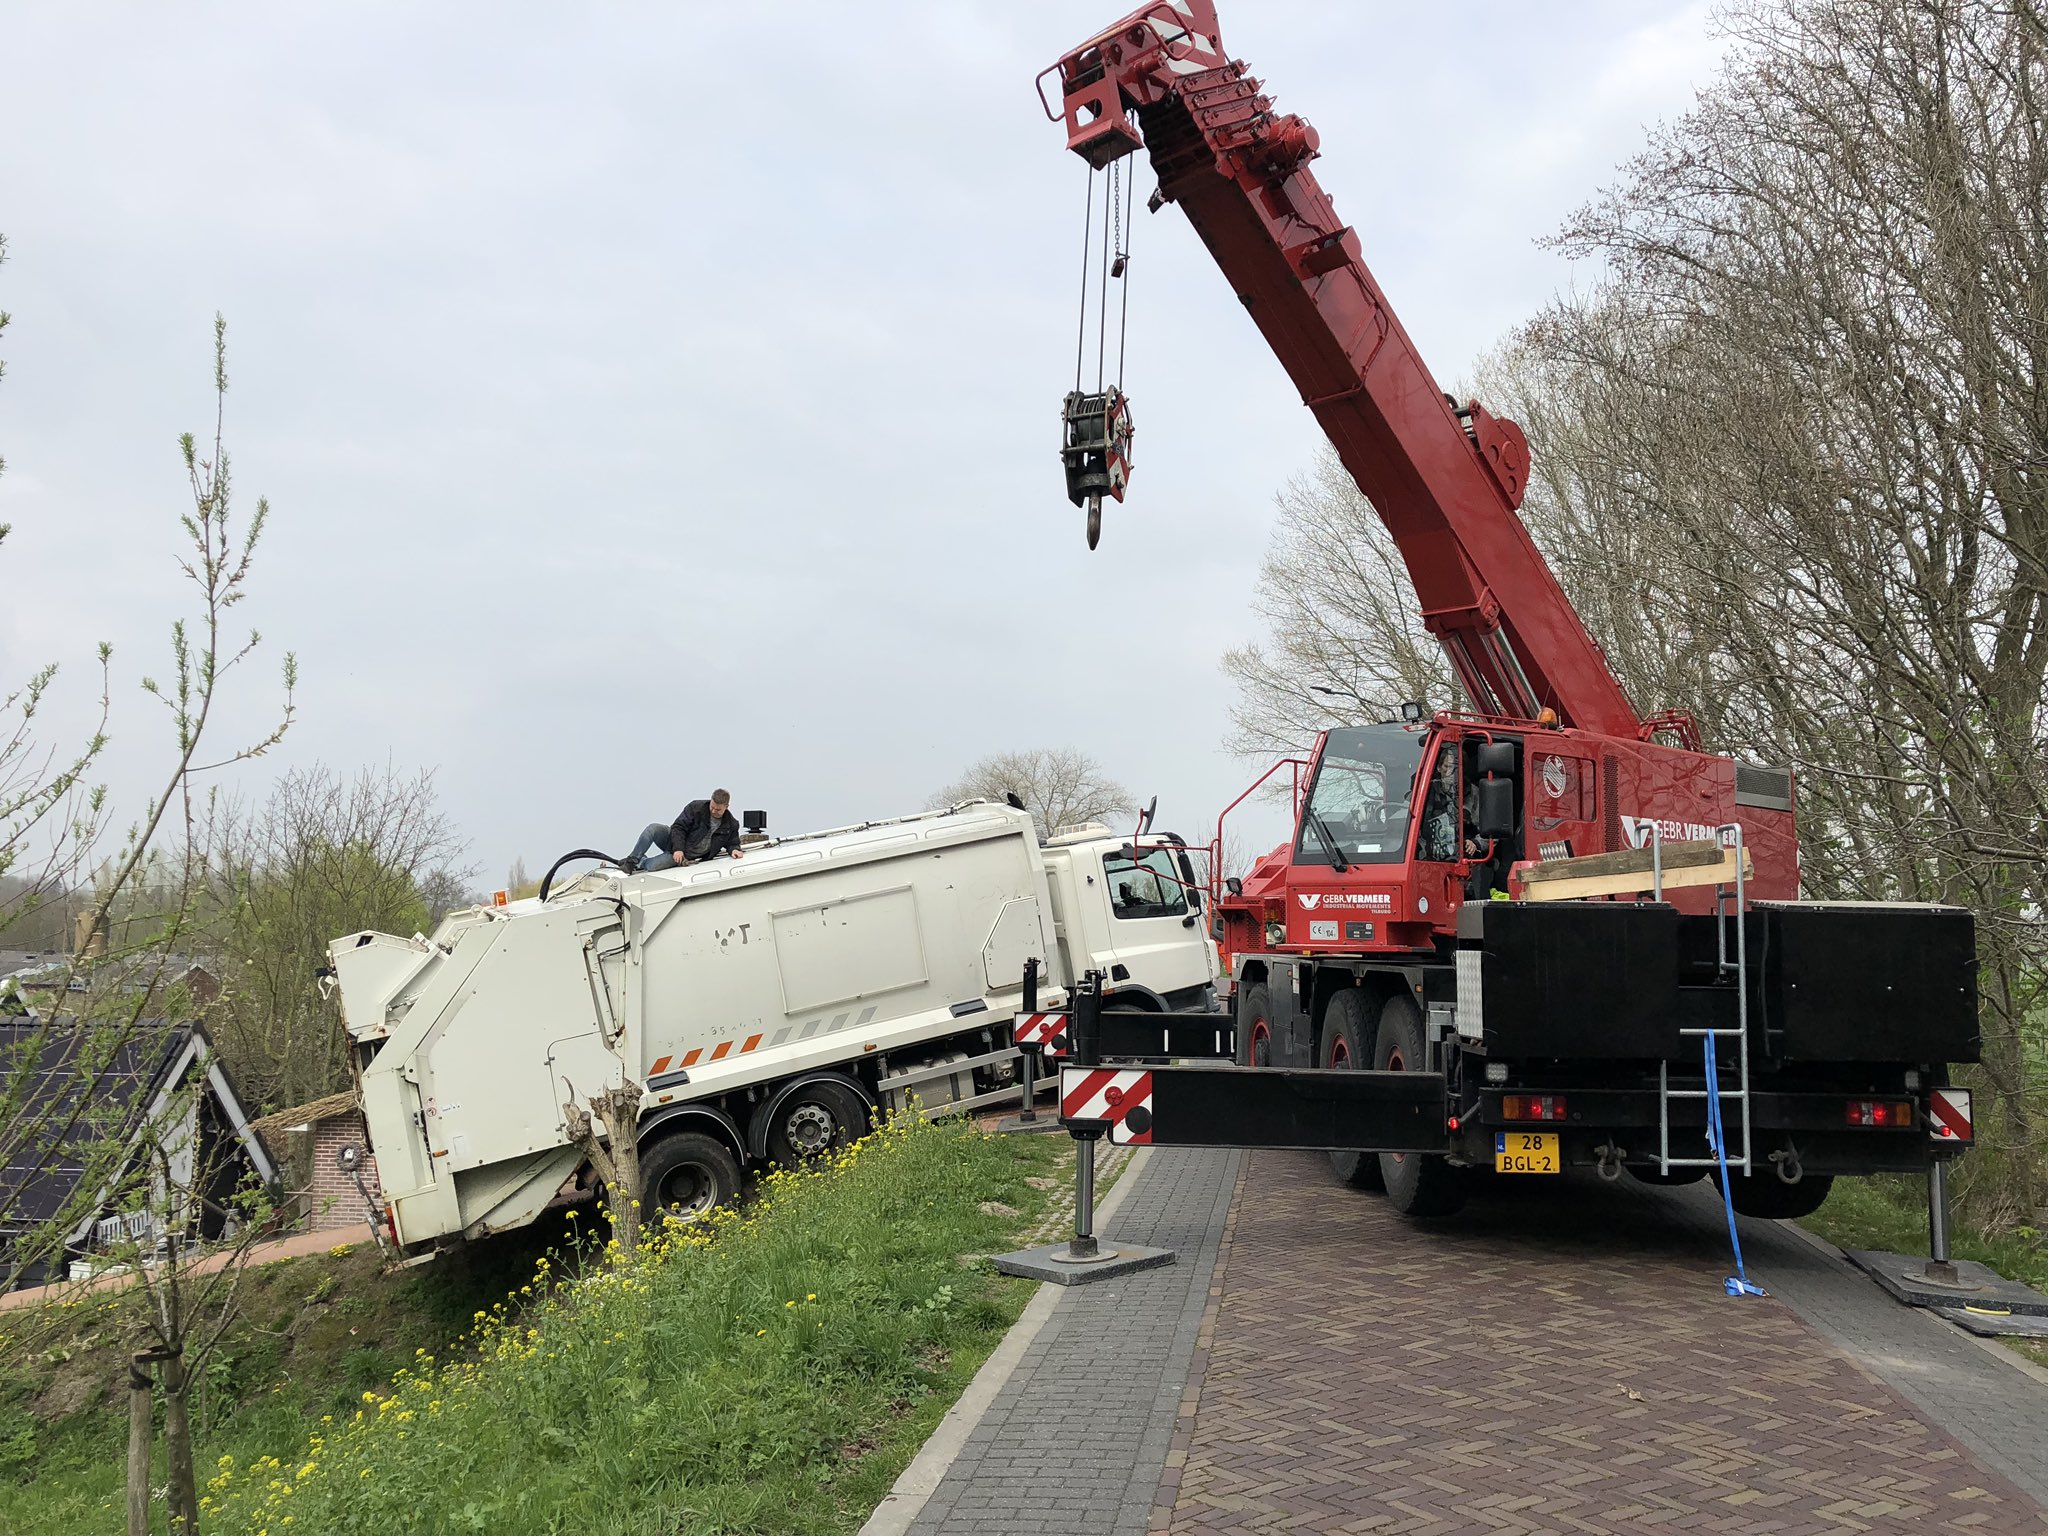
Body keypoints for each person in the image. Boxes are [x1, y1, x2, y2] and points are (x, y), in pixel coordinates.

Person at [625, 790, 743, 872]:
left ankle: (642, 862)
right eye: (712, 807)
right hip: (675, 842)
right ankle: (631, 861)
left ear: (726, 806)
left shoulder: (731, 824)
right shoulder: (696, 807)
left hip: (686, 856)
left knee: (652, 866)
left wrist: (734, 850)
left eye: (718, 810)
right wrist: (678, 849)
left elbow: (732, 842)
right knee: (653, 828)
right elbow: (679, 827)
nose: (713, 811)